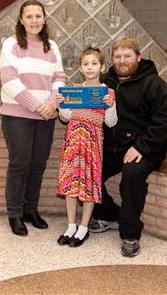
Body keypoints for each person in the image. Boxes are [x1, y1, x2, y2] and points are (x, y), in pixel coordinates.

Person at [89, 38, 167, 257]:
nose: (122, 61)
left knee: (132, 174)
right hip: (114, 147)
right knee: (87, 171)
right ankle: (110, 216)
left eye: (127, 56)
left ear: (138, 57)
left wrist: (142, 147)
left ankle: (130, 234)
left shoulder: (153, 84)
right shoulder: (106, 84)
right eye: (117, 57)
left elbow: (165, 122)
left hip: (145, 147)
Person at [0, 0, 65, 236]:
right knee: (19, 165)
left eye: (38, 16)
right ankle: (15, 214)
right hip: (17, 115)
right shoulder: (12, 44)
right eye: (29, 16)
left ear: (44, 19)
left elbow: (59, 78)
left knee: (38, 166)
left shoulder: (52, 47)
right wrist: (38, 106)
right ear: (21, 20)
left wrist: (50, 104)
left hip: (46, 116)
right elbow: (9, 80)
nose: (34, 21)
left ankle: (30, 210)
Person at [56, 48, 117, 247]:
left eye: (94, 63)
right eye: (85, 64)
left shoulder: (107, 93)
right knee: (71, 184)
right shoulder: (74, 90)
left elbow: (111, 122)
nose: (90, 67)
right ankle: (71, 225)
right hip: (73, 141)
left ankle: (83, 228)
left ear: (102, 67)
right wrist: (61, 105)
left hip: (92, 144)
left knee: (89, 184)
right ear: (80, 67)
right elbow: (65, 117)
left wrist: (111, 106)